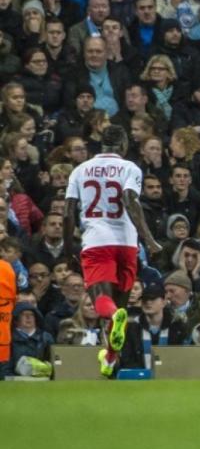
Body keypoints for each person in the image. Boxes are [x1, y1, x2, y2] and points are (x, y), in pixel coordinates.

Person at [64, 125, 162, 377]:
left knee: (103, 304)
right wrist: (148, 239)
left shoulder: (80, 170)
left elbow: (67, 212)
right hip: (127, 244)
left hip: (97, 240)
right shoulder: (131, 168)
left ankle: (113, 322)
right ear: (124, 145)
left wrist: (68, 247)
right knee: (121, 306)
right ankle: (109, 359)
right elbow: (130, 199)